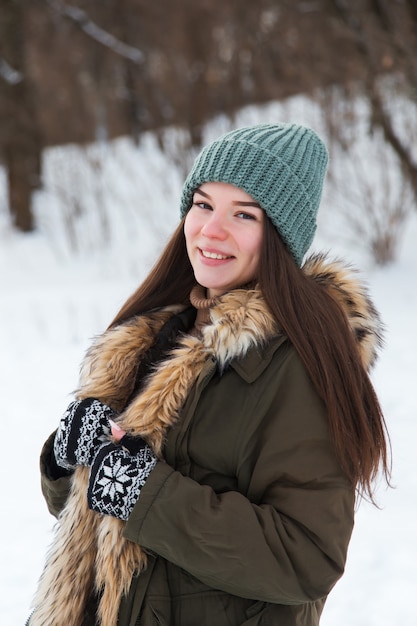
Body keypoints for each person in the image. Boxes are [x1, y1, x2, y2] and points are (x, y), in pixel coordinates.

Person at [29, 123, 390, 626]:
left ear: (282, 236)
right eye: (203, 205)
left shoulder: (297, 365)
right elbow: (101, 523)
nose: (211, 231)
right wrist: (70, 461)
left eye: (244, 214)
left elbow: (307, 557)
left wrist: (144, 493)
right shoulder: (157, 338)